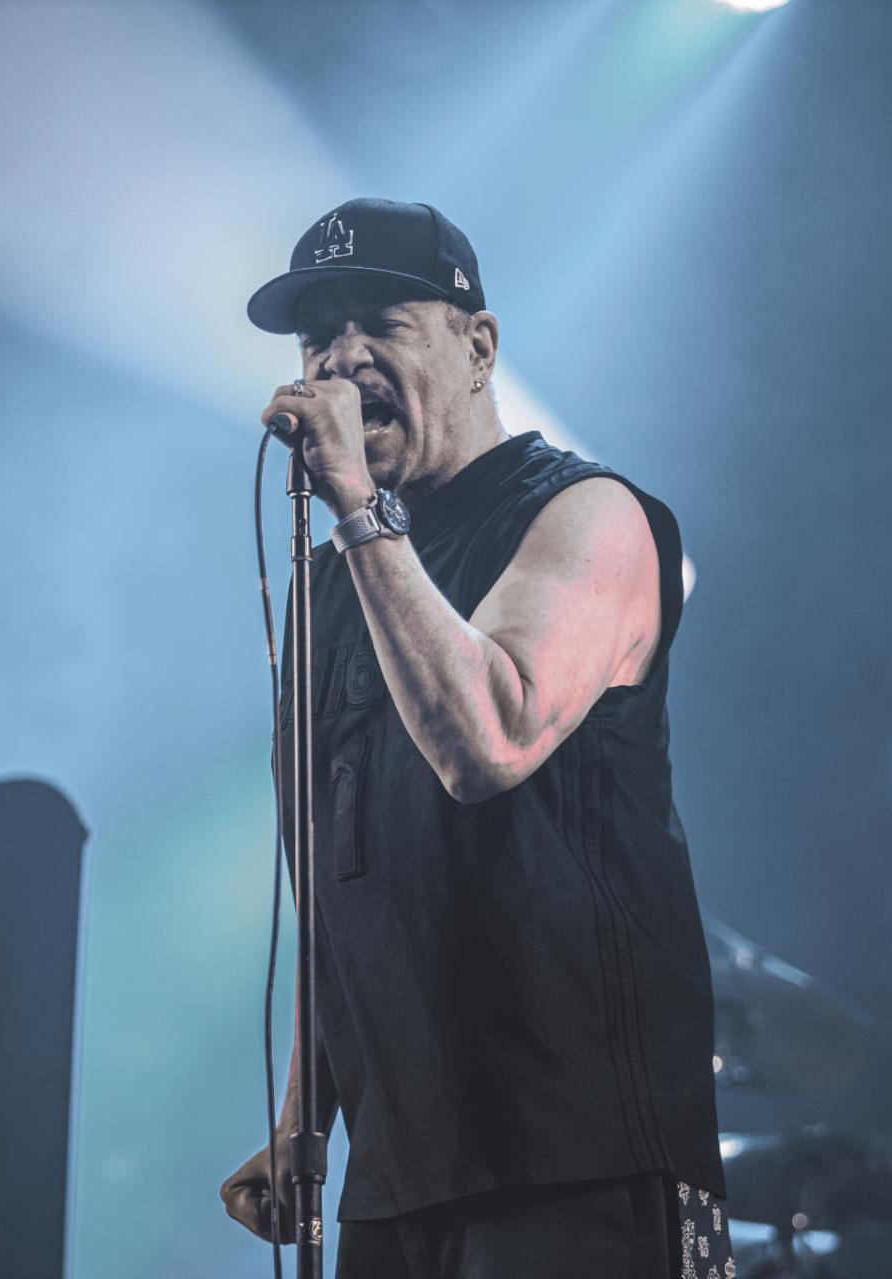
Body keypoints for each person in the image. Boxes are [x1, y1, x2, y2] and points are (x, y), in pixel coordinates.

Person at [219, 199, 731, 1279]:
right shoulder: (334, 582)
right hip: (397, 1177)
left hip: (579, 1160)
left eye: (381, 323)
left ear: (479, 347)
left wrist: (356, 507)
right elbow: (338, 877)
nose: (339, 358)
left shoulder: (588, 515)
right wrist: (305, 1117)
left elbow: (487, 739)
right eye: (317, 337)